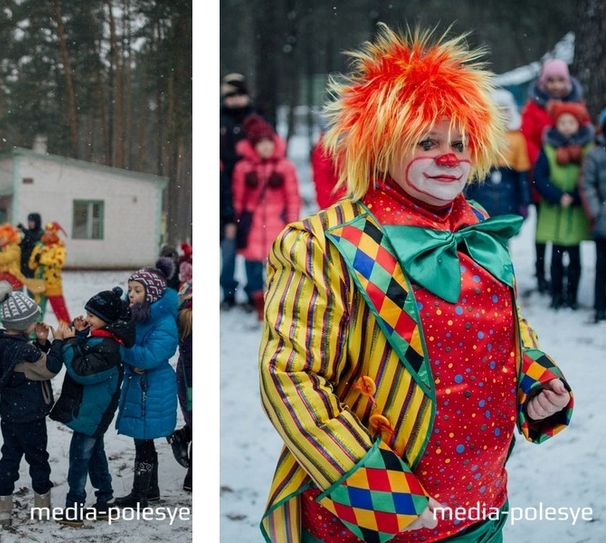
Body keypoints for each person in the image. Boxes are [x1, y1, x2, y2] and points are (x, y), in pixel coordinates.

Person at [259, 25, 574, 543]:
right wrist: (381, 495)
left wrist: (535, 381)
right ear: (383, 146)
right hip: (372, 524)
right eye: (426, 142)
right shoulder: (324, 242)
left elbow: (505, 328)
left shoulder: (475, 222)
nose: (449, 157)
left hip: (481, 507)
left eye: (460, 142)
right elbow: (290, 379)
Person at [48, 286, 135, 527]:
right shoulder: (103, 339)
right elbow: (87, 353)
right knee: (94, 454)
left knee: (79, 459)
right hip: (91, 411)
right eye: (87, 314)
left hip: (93, 413)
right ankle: (104, 501)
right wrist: (81, 333)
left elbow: (81, 370)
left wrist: (69, 342)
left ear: (106, 321)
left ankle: (74, 508)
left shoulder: (109, 348)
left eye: (92, 317)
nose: (87, 319)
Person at [0, 281, 63, 526]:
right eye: (32, 320)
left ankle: (3, 506)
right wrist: (56, 342)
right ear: (23, 324)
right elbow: (49, 368)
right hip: (32, 417)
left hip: (9, 415)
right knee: (38, 459)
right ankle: (42, 506)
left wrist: (40, 343)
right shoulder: (25, 352)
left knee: (9, 458)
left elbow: (26, 367)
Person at [113, 258, 178, 508]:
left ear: (151, 294)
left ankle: (140, 494)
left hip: (151, 389)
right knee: (144, 441)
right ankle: (150, 489)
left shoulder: (163, 322)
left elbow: (151, 356)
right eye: (130, 290)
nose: (131, 295)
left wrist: (124, 351)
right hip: (140, 385)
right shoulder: (138, 317)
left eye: (137, 291)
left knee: (144, 444)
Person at [521, 58, 586, 294]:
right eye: (551, 80)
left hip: (570, 174)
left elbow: (584, 132)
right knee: (543, 228)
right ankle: (541, 274)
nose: (556, 85)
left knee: (568, 227)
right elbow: (526, 137)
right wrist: (545, 159)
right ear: (543, 81)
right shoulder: (533, 106)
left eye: (560, 80)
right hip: (543, 176)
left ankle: (565, 273)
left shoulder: (576, 103)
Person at [232, 114, 302, 320]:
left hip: (277, 223)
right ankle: (258, 302)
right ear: (253, 146)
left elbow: (293, 197)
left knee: (278, 264)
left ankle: (277, 300)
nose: (265, 147)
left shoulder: (285, 167)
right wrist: (237, 219)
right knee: (252, 266)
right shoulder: (243, 168)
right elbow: (238, 198)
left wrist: (292, 222)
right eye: (260, 143)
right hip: (253, 224)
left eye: (268, 142)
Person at [533, 100, 594, 310]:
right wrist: (557, 195)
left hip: (576, 212)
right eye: (563, 122)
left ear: (578, 124)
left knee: (576, 260)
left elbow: (589, 176)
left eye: (571, 122)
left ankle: (572, 296)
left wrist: (576, 196)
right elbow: (539, 177)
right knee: (556, 259)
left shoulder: (587, 149)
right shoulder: (548, 148)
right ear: (556, 124)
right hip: (556, 211)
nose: (567, 126)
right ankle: (556, 295)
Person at [464, 89, 532, 219]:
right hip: (483, 187)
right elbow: (472, 170)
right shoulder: (481, 136)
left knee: (504, 228)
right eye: (498, 109)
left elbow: (522, 174)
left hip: (508, 189)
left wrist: (525, 200)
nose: (502, 113)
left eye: (505, 109)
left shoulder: (517, 138)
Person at [220, 73, 256, 309]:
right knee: (229, 247)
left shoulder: (254, 119)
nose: (235, 100)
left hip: (251, 190)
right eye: (230, 95)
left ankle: (255, 291)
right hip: (224, 189)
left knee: (253, 247)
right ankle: (229, 291)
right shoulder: (219, 120)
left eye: (239, 94)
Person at [580, 108, 606, 322]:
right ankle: (600, 307)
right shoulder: (596, 155)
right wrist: (596, 211)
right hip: (603, 222)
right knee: (602, 267)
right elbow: (587, 184)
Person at [166, 279, 192, 492]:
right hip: (189, 382)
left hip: (186, 381)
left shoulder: (182, 318)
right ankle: (193, 476)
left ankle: (182, 436)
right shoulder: (189, 319)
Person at [28, 222, 71, 325]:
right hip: (39, 282)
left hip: (53, 283)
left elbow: (59, 262)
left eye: (50, 232)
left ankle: (67, 331)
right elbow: (31, 265)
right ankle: (34, 334)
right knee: (37, 310)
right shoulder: (39, 246)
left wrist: (42, 259)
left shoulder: (59, 246)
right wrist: (35, 259)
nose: (47, 234)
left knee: (60, 310)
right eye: (46, 231)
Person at [311, 132, 345, 209]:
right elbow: (321, 181)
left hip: (356, 204)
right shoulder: (323, 149)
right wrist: (328, 208)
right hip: (334, 206)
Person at [18, 213, 43, 279]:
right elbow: (23, 245)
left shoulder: (41, 233)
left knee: (32, 287)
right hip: (24, 264)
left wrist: (24, 230)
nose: (30, 223)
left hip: (34, 264)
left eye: (32, 221)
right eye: (29, 221)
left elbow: (34, 240)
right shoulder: (27, 233)